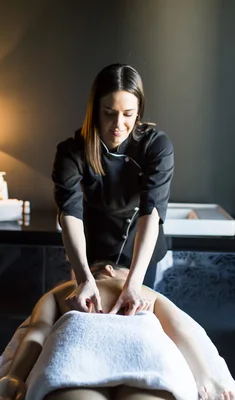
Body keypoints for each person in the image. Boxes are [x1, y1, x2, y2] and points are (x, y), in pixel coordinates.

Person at [0, 261, 235, 400]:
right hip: (144, 352)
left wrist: (14, 376)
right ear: (109, 269)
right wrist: (207, 379)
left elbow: (36, 333)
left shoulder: (60, 292)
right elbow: (181, 330)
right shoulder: (144, 292)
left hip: (77, 353)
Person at [52, 63, 174, 316]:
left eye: (128, 114)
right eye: (109, 112)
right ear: (95, 110)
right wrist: (84, 276)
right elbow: (70, 215)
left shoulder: (156, 146)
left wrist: (135, 282)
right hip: (92, 247)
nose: (118, 124)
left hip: (140, 248)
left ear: (139, 111)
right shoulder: (71, 152)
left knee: (139, 320)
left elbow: (151, 212)